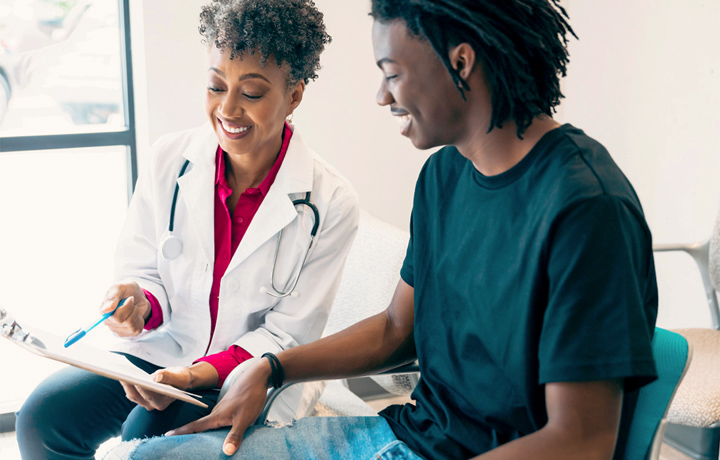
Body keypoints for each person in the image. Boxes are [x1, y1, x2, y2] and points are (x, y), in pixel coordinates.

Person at [107, 0, 659, 459]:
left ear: (461, 62)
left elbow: (581, 441)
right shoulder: (444, 176)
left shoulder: (586, 208)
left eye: (392, 74)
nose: (382, 96)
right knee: (153, 456)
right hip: (405, 437)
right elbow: (398, 329)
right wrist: (271, 369)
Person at [15, 0, 360, 458]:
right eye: (216, 86)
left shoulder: (331, 203)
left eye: (251, 93)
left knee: (145, 435)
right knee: (42, 419)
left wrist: (193, 375)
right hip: (163, 353)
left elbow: (287, 335)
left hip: (247, 373)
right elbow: (143, 269)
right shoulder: (169, 159)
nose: (228, 109)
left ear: (294, 96)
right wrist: (139, 304)